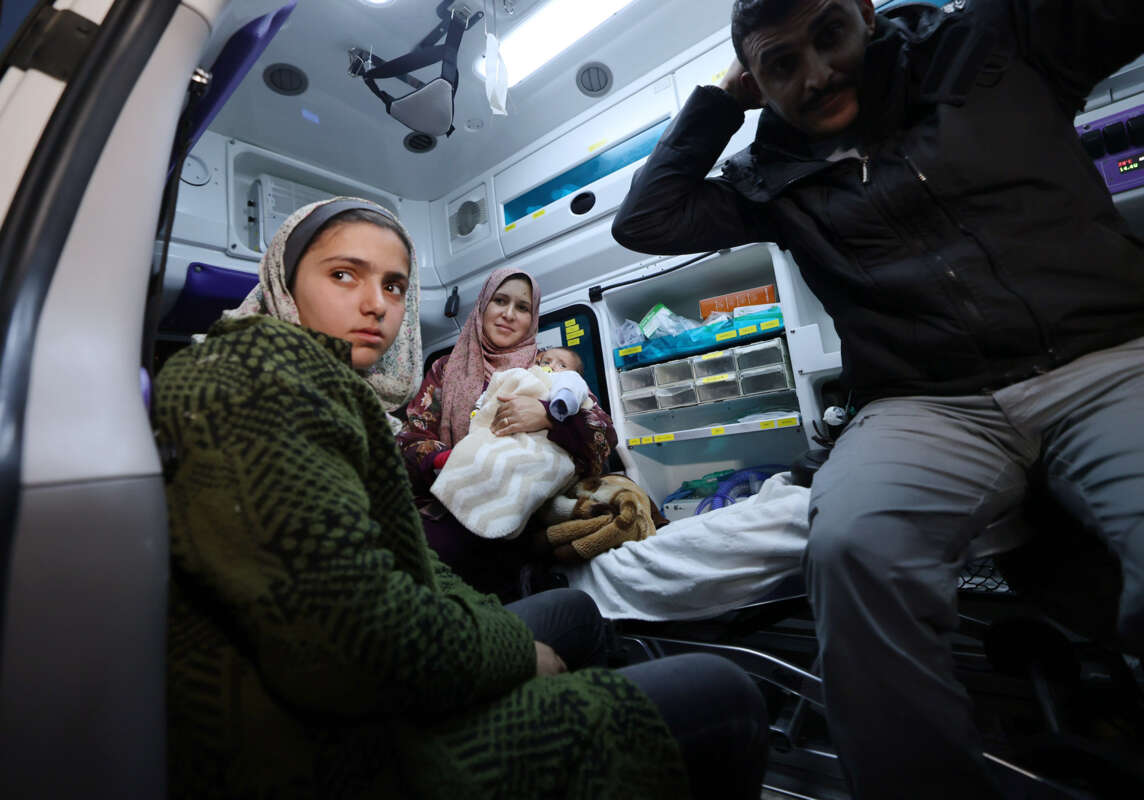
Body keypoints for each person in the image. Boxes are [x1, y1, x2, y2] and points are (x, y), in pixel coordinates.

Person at [611, 1, 1144, 797]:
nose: (817, 74)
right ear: (758, 79)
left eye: (829, 34)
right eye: (781, 64)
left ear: (867, 11)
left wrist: (760, 68)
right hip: (927, 403)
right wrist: (724, 99)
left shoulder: (985, 50)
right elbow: (645, 219)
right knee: (852, 548)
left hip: (1103, 353)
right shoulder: (768, 177)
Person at [154, 197, 770, 799]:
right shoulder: (280, 382)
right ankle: (601, 730)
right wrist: (459, 463)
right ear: (284, 281)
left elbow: (597, 440)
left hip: (472, 561)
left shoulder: (550, 376)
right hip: (354, 739)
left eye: (395, 287)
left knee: (576, 615)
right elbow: (359, 609)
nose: (375, 305)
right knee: (726, 692)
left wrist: (550, 417)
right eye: (343, 275)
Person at [398, 268, 617, 600]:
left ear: (532, 319)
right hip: (449, 491)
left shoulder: (546, 367)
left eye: (522, 307)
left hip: (524, 500)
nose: (509, 314)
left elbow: (604, 436)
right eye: (500, 301)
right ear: (483, 305)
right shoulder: (445, 369)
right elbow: (410, 437)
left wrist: (549, 418)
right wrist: (452, 460)